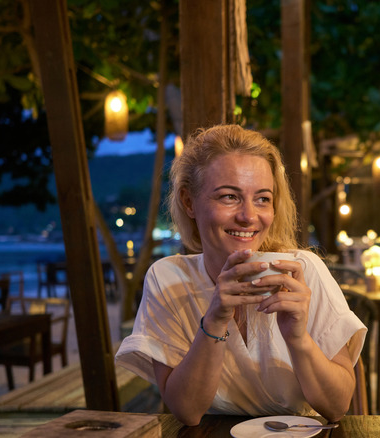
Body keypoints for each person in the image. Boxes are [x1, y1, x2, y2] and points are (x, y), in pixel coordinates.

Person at [115, 124, 366, 426]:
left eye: (262, 199)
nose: (248, 216)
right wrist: (216, 319)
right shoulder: (168, 279)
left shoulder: (303, 271)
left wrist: (297, 337)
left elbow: (337, 406)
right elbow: (186, 411)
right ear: (188, 202)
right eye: (229, 197)